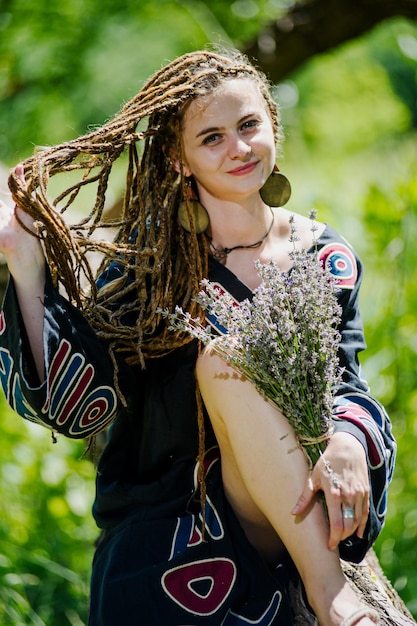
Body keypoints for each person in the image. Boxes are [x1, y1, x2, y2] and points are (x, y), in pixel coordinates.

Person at [0, 48, 395, 625]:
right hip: (174, 519)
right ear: (179, 159)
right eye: (211, 138)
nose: (237, 148)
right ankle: (330, 592)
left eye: (248, 125)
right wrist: (26, 264)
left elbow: (344, 382)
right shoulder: (147, 266)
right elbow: (78, 408)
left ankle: (328, 590)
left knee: (241, 373)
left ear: (273, 128)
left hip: (294, 500)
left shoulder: (322, 255)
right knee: (224, 363)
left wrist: (351, 440)